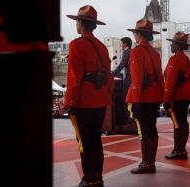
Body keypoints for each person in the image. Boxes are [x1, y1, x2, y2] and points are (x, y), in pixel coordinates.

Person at [64, 5, 113, 187]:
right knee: (96, 139)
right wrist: (106, 98)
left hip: (83, 102)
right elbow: (109, 77)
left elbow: (74, 78)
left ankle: (88, 178)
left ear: (80, 23)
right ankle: (98, 177)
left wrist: (70, 102)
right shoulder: (102, 47)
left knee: (84, 141)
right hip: (100, 101)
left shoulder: (76, 45)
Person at [126, 19, 164, 173]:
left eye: (135, 33)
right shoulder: (155, 54)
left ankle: (147, 163)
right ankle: (151, 162)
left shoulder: (136, 51)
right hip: (154, 97)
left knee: (144, 131)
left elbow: (137, 80)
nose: (134, 35)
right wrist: (162, 96)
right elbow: (160, 79)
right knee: (152, 129)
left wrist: (136, 100)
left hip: (141, 97)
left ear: (139, 34)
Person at [163, 32, 190, 159]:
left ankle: (178, 150)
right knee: (183, 123)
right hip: (185, 96)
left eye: (172, 43)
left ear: (177, 45)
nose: (171, 45)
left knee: (177, 124)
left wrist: (166, 100)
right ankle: (182, 149)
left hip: (176, 97)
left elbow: (170, 82)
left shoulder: (174, 60)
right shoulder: (187, 60)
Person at [112, 37, 134, 128]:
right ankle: (131, 120)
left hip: (128, 80)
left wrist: (112, 73)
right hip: (130, 79)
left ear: (125, 44)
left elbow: (122, 65)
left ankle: (129, 121)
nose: (120, 45)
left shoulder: (126, 52)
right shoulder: (132, 51)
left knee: (125, 100)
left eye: (121, 43)